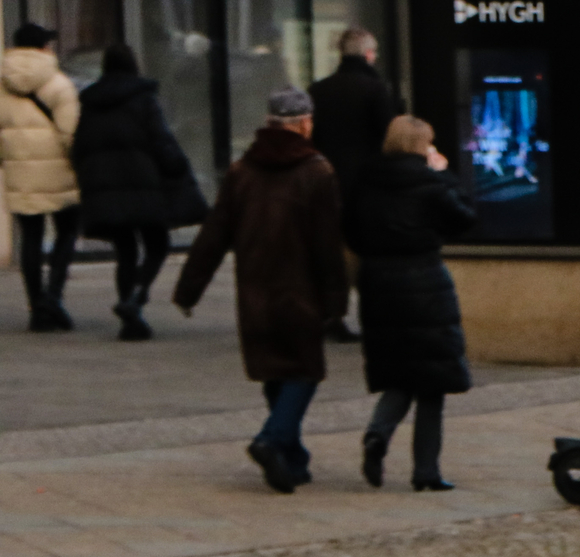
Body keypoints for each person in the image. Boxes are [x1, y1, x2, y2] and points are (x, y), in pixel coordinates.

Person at [173, 88, 350, 494]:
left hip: (254, 290)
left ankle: (292, 459)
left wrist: (189, 289)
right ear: (305, 124)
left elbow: (214, 234)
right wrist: (336, 300)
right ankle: (271, 440)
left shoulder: (242, 171)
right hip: (299, 291)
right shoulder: (317, 171)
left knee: (275, 370)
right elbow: (327, 244)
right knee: (303, 372)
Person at [347, 115, 474, 491]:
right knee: (431, 380)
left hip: (378, 285)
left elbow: (351, 231)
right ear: (422, 147)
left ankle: (378, 433)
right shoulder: (429, 183)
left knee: (399, 371)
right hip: (424, 283)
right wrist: (445, 175)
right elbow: (464, 218)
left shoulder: (365, 182)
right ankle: (426, 471)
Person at [72, 44, 202, 341]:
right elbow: (161, 139)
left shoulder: (91, 102)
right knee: (157, 243)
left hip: (107, 187)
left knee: (125, 250)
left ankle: (131, 316)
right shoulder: (143, 99)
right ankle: (137, 297)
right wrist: (177, 165)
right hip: (144, 185)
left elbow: (80, 146)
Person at [310, 26, 400, 342]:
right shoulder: (374, 89)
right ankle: (373, 316)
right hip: (365, 184)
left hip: (327, 182)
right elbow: (387, 135)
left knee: (331, 253)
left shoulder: (318, 90)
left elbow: (313, 138)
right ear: (369, 55)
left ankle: (330, 315)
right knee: (365, 254)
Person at [2, 22, 80, 332]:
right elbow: (70, 134)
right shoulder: (60, 84)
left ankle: (36, 306)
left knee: (31, 238)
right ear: (43, 48)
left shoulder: (1, 85)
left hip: (20, 172)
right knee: (67, 231)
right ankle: (53, 296)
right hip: (60, 171)